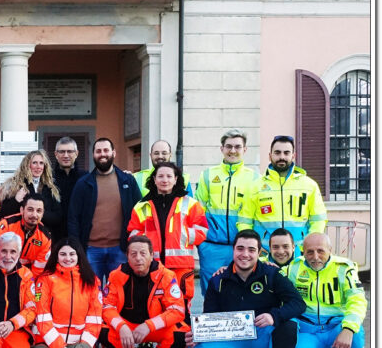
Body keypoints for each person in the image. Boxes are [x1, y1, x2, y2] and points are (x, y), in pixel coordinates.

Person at [187, 230, 306, 348]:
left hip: (263, 331)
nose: (245, 254)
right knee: (200, 346)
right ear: (233, 250)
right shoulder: (218, 280)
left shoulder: (272, 274)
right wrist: (199, 334)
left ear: (259, 253)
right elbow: (209, 316)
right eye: (240, 248)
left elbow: (298, 303)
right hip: (231, 336)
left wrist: (273, 316)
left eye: (251, 250)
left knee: (289, 326)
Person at [127, 161, 207, 318]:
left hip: (180, 266)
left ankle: (181, 339)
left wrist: (182, 235)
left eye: (169, 176)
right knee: (152, 306)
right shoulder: (142, 205)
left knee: (181, 308)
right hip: (152, 265)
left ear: (176, 179)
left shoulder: (190, 204)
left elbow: (202, 230)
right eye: (161, 176)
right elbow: (132, 232)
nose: (165, 180)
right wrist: (145, 244)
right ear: (154, 179)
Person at [68, 137, 141, 284]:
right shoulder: (83, 184)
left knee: (119, 292)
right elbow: (73, 217)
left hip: (120, 249)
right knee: (91, 291)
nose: (103, 154)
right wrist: (77, 247)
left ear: (113, 153)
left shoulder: (128, 181)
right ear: (93, 154)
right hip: (90, 250)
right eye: (98, 151)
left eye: (106, 150)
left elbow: (139, 213)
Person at [238, 135, 328, 254]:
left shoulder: (309, 185)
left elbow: (318, 220)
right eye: (277, 153)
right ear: (270, 156)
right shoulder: (255, 187)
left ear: (293, 156)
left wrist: (309, 247)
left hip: (299, 254)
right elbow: (244, 222)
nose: (282, 157)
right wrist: (252, 247)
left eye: (286, 153)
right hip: (265, 254)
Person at [195, 129, 259, 295]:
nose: (232, 150)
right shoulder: (208, 175)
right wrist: (201, 242)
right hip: (212, 245)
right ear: (222, 148)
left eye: (237, 147)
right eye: (228, 146)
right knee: (212, 290)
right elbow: (197, 210)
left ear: (245, 150)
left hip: (241, 246)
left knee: (241, 290)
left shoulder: (254, 178)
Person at [102, 236, 188, 348]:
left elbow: (177, 310)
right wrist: (121, 326)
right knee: (99, 328)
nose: (138, 258)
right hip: (126, 327)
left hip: (154, 327)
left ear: (152, 256)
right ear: (127, 257)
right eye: (133, 254)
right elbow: (107, 307)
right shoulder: (116, 276)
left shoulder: (166, 276)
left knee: (182, 333)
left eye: (143, 253)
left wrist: (149, 325)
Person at [284, 233, 367, 348]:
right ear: (303, 252)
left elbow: (357, 300)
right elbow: (271, 275)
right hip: (307, 329)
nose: (315, 257)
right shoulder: (295, 267)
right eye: (310, 252)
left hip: (336, 326)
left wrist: (348, 329)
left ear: (330, 250)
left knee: (355, 333)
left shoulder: (344, 268)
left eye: (320, 251)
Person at [34, 238, 102, 348]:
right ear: (56, 256)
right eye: (63, 254)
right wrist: (59, 346)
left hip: (80, 342)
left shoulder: (92, 280)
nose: (68, 258)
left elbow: (95, 316)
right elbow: (42, 316)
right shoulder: (45, 279)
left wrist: (85, 344)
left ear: (78, 256)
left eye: (72, 254)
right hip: (48, 342)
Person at [0, 150, 63, 240]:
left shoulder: (51, 188)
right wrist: (15, 200)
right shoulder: (15, 185)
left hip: (43, 238)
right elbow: (3, 214)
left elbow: (57, 217)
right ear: (27, 165)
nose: (38, 167)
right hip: (18, 237)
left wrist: (37, 215)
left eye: (41, 163)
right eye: (34, 163)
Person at [0, 193, 52, 277]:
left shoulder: (45, 238)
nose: (34, 215)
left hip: (24, 278)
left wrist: (26, 283)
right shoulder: (7, 225)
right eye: (30, 209)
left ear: (43, 213)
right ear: (22, 210)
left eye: (39, 211)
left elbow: (38, 271)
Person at [52, 136, 83, 241]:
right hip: (54, 235)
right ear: (56, 154)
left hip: (79, 235)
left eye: (70, 151)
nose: (66, 155)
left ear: (76, 153)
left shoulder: (85, 178)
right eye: (62, 152)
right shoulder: (48, 179)